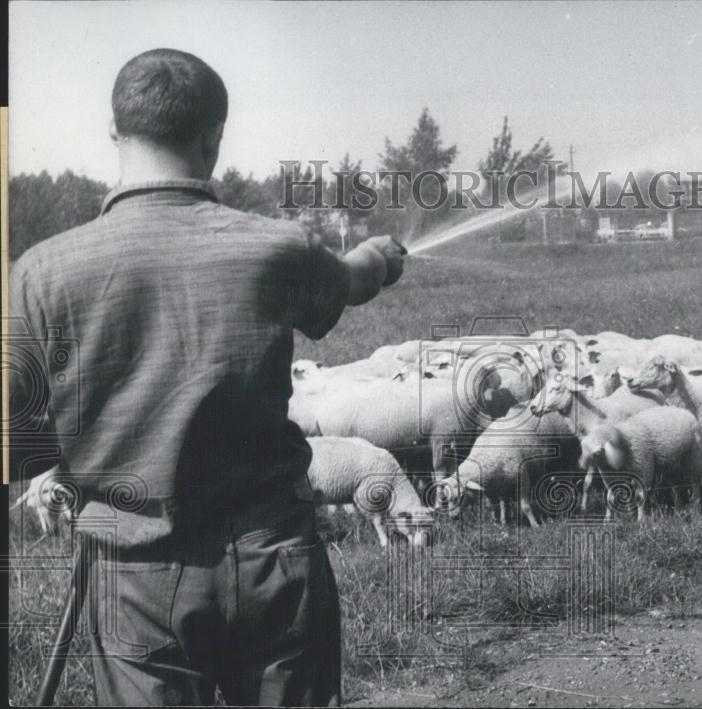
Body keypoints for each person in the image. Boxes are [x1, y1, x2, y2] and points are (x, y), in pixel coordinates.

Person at [8, 47, 405, 706]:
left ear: (116, 131)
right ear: (214, 137)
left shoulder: (42, 271)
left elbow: (21, 444)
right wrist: (376, 257)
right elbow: (353, 281)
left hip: (135, 574)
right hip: (274, 560)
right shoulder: (275, 248)